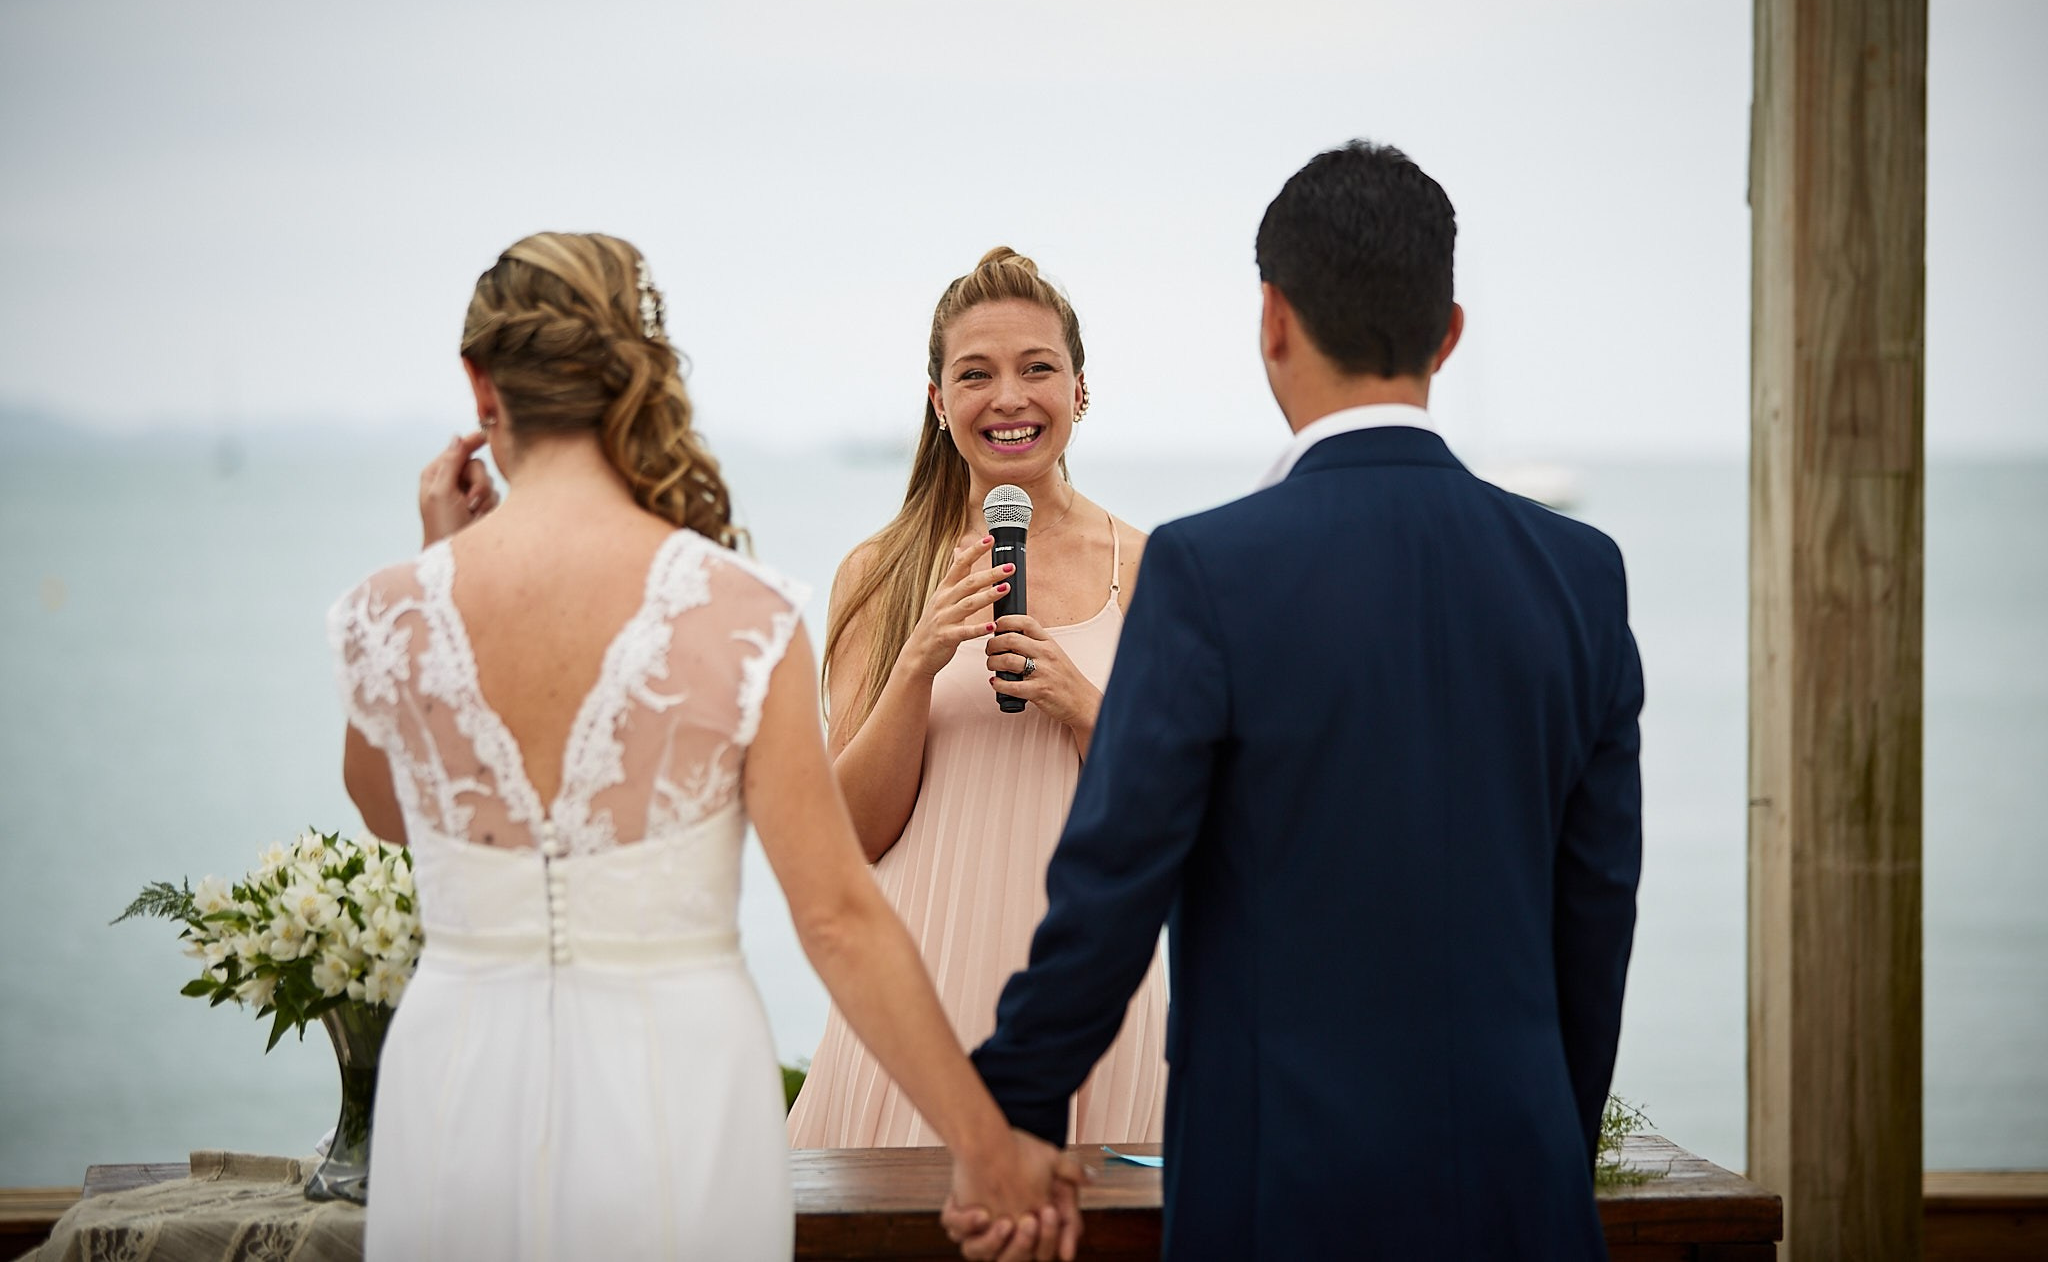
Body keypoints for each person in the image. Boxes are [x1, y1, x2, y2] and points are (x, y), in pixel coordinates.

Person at [951, 143, 1645, 1260]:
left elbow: (1113, 881)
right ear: (1448, 331)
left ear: (1270, 320)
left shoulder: (1210, 571)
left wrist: (1013, 1116)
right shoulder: (1579, 573)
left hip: (1281, 1198)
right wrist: (1547, 1149)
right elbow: (1594, 914)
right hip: (1523, 1195)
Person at [331, 233, 1080, 1261]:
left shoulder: (392, 611)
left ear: (480, 384)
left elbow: (383, 810)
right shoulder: (735, 612)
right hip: (675, 1081)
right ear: (641, 375)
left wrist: (442, 567)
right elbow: (835, 915)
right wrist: (985, 1144)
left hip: (454, 1076)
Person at [786, 248, 1168, 1149]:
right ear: (937, 399)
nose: (1009, 398)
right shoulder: (878, 573)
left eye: (1038, 368)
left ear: (1079, 392)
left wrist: (1084, 705)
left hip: (1095, 998)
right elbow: (848, 837)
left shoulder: (1151, 569)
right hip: (920, 1000)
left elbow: (1182, 819)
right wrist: (918, 661)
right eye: (975, 374)